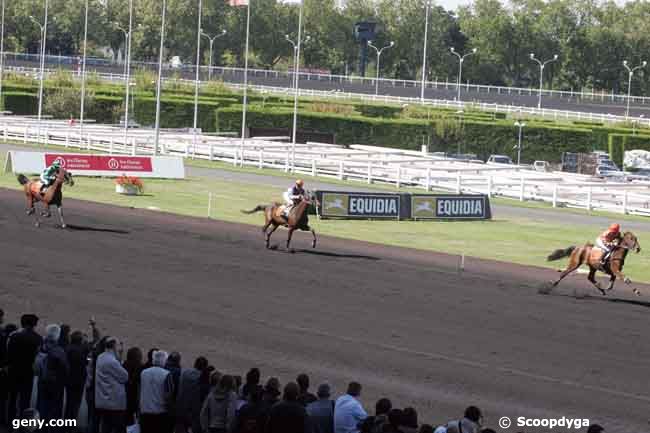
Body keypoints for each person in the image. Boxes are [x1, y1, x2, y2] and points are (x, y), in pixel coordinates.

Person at [7, 314, 43, 425]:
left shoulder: (14, 336)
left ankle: (10, 423)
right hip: (28, 373)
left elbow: (9, 354)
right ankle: (23, 425)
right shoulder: (38, 338)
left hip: (13, 371)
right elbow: (38, 357)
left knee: (12, 399)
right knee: (25, 401)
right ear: (34, 324)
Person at [35, 324, 69, 433]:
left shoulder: (41, 347)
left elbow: (36, 367)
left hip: (42, 382)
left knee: (41, 407)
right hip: (55, 384)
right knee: (54, 410)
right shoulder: (59, 351)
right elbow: (66, 369)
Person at [95, 337, 128, 433]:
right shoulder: (112, 361)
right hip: (113, 403)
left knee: (106, 427)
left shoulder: (101, 357)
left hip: (103, 400)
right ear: (113, 346)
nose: (119, 348)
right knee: (118, 428)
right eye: (117, 345)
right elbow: (125, 376)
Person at [140, 350, 174, 433]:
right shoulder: (166, 374)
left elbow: (140, 391)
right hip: (160, 414)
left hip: (145, 412)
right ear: (164, 361)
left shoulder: (144, 372)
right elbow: (168, 395)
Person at [64, 331, 89, 429]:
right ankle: (70, 426)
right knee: (74, 405)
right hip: (78, 381)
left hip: (69, 380)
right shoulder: (80, 350)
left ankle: (66, 425)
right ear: (80, 341)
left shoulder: (68, 348)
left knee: (70, 404)